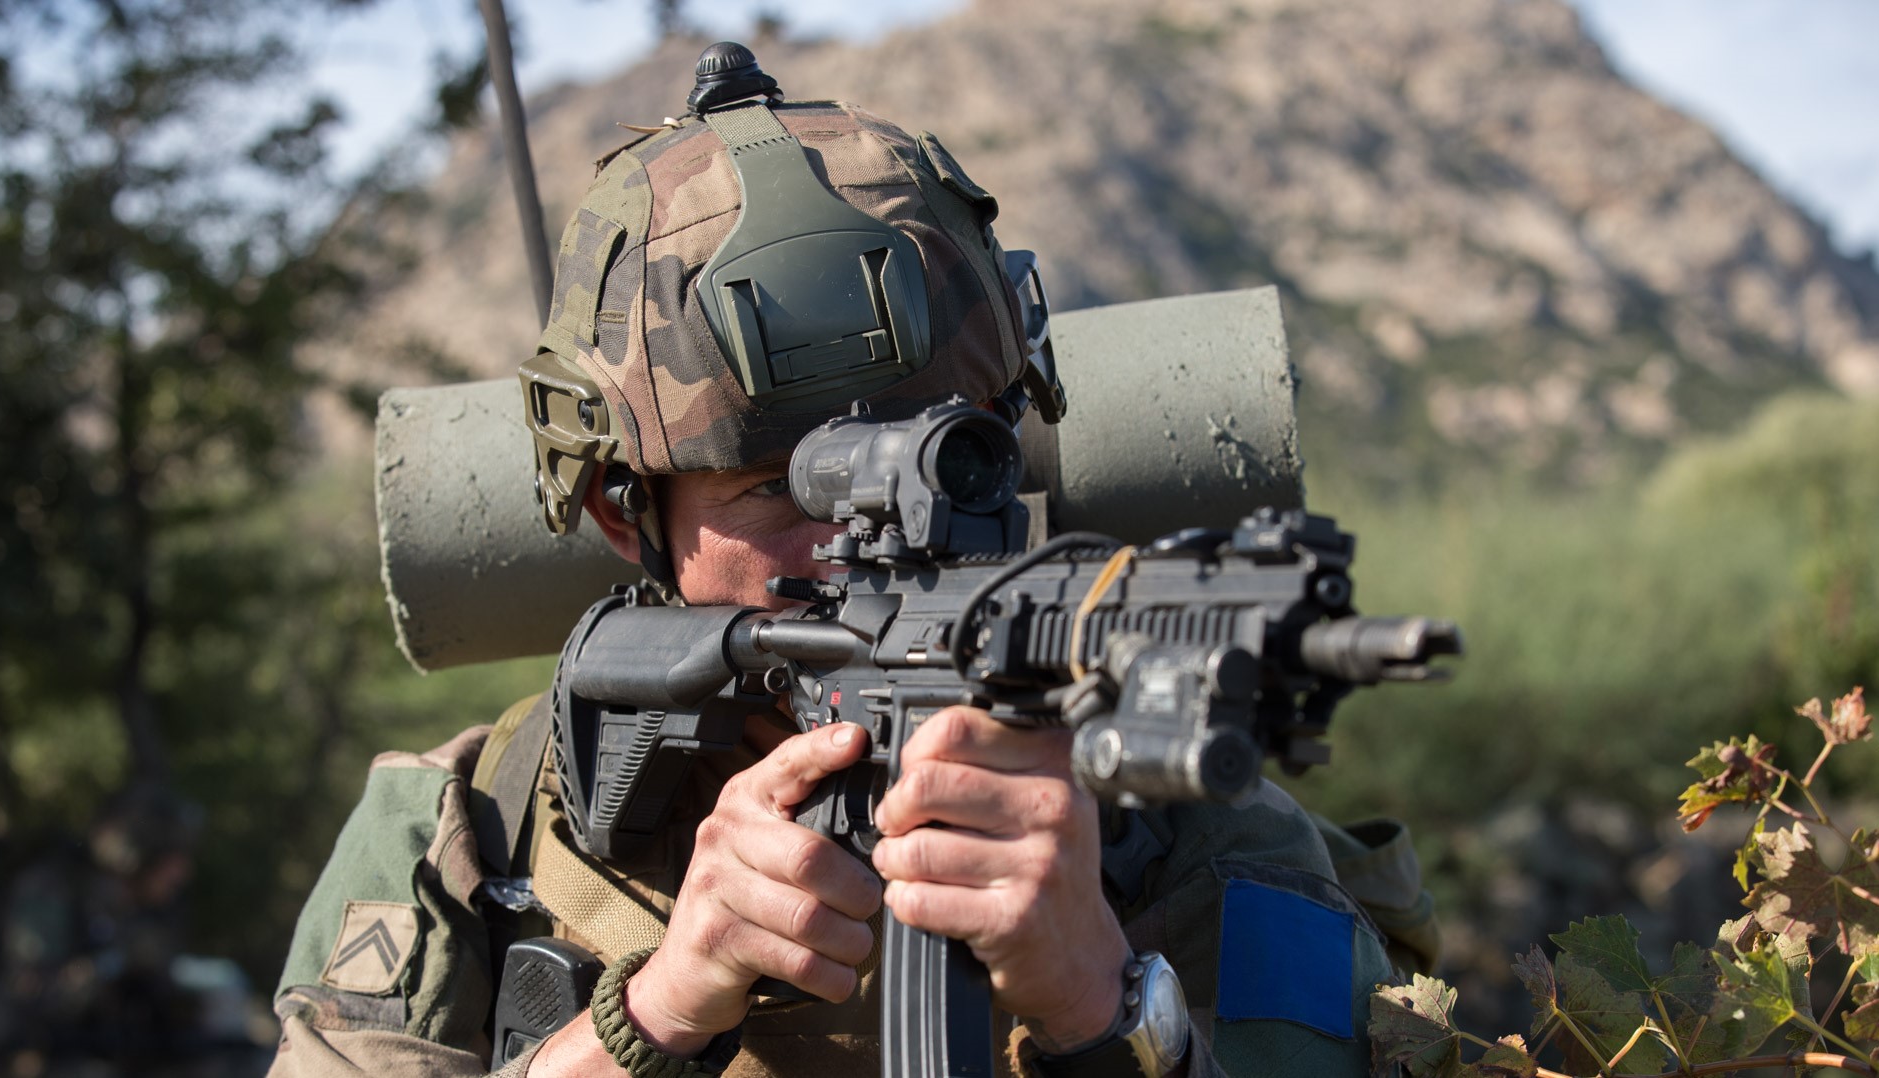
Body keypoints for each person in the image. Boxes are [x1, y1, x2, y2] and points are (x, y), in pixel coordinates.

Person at [268, 43, 1434, 1078]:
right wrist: (655, 1011)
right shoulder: (475, 833)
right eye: (780, 486)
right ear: (627, 516)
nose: (857, 535)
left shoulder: (1205, 840)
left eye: (944, 453)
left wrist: (1106, 1006)